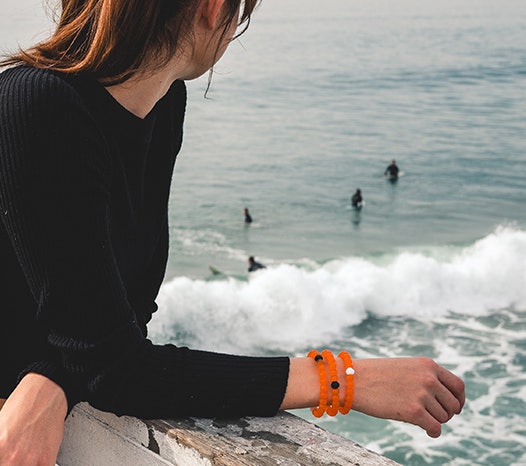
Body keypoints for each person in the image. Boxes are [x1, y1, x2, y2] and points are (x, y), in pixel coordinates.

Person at [0, 1, 465, 464]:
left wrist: (55, 378)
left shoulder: (162, 105)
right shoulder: (36, 106)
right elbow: (117, 367)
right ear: (214, 7)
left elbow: (121, 315)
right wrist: (343, 381)